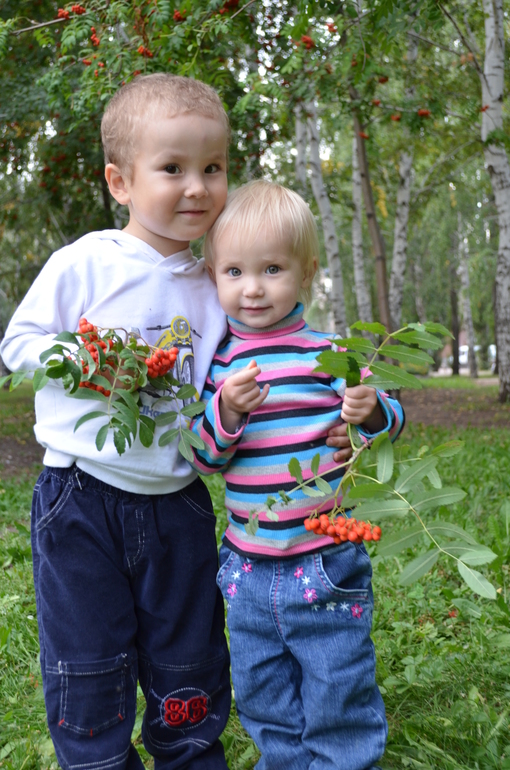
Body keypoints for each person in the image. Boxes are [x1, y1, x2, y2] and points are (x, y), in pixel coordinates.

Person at [0, 74, 234, 770]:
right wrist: (85, 361)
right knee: (88, 659)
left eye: (213, 168)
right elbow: (17, 345)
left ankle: (191, 753)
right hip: (82, 499)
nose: (197, 186)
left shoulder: (218, 282)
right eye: (173, 169)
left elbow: (235, 375)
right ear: (120, 181)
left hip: (178, 504)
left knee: (188, 655)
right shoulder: (86, 262)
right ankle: (97, 759)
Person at [190, 180, 405, 770]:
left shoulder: (327, 353)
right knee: (262, 691)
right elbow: (204, 458)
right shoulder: (219, 367)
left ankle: (340, 759)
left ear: (306, 272)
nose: (252, 287)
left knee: (338, 682)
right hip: (248, 564)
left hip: (325, 559)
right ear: (213, 275)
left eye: (272, 269)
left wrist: (369, 414)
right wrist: (227, 411)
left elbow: (385, 421)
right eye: (233, 271)